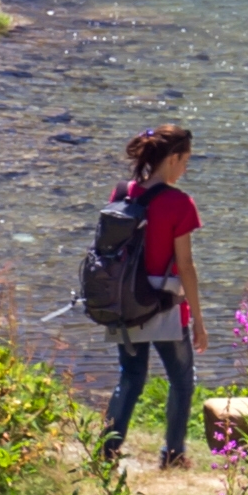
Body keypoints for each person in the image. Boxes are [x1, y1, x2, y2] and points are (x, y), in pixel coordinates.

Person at [92, 125, 204, 470]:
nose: (186, 168)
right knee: (182, 379)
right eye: (185, 160)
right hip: (164, 305)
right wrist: (200, 321)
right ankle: (172, 454)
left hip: (123, 300)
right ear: (172, 159)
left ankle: (107, 453)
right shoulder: (180, 203)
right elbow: (184, 265)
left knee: (131, 377)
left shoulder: (122, 192)